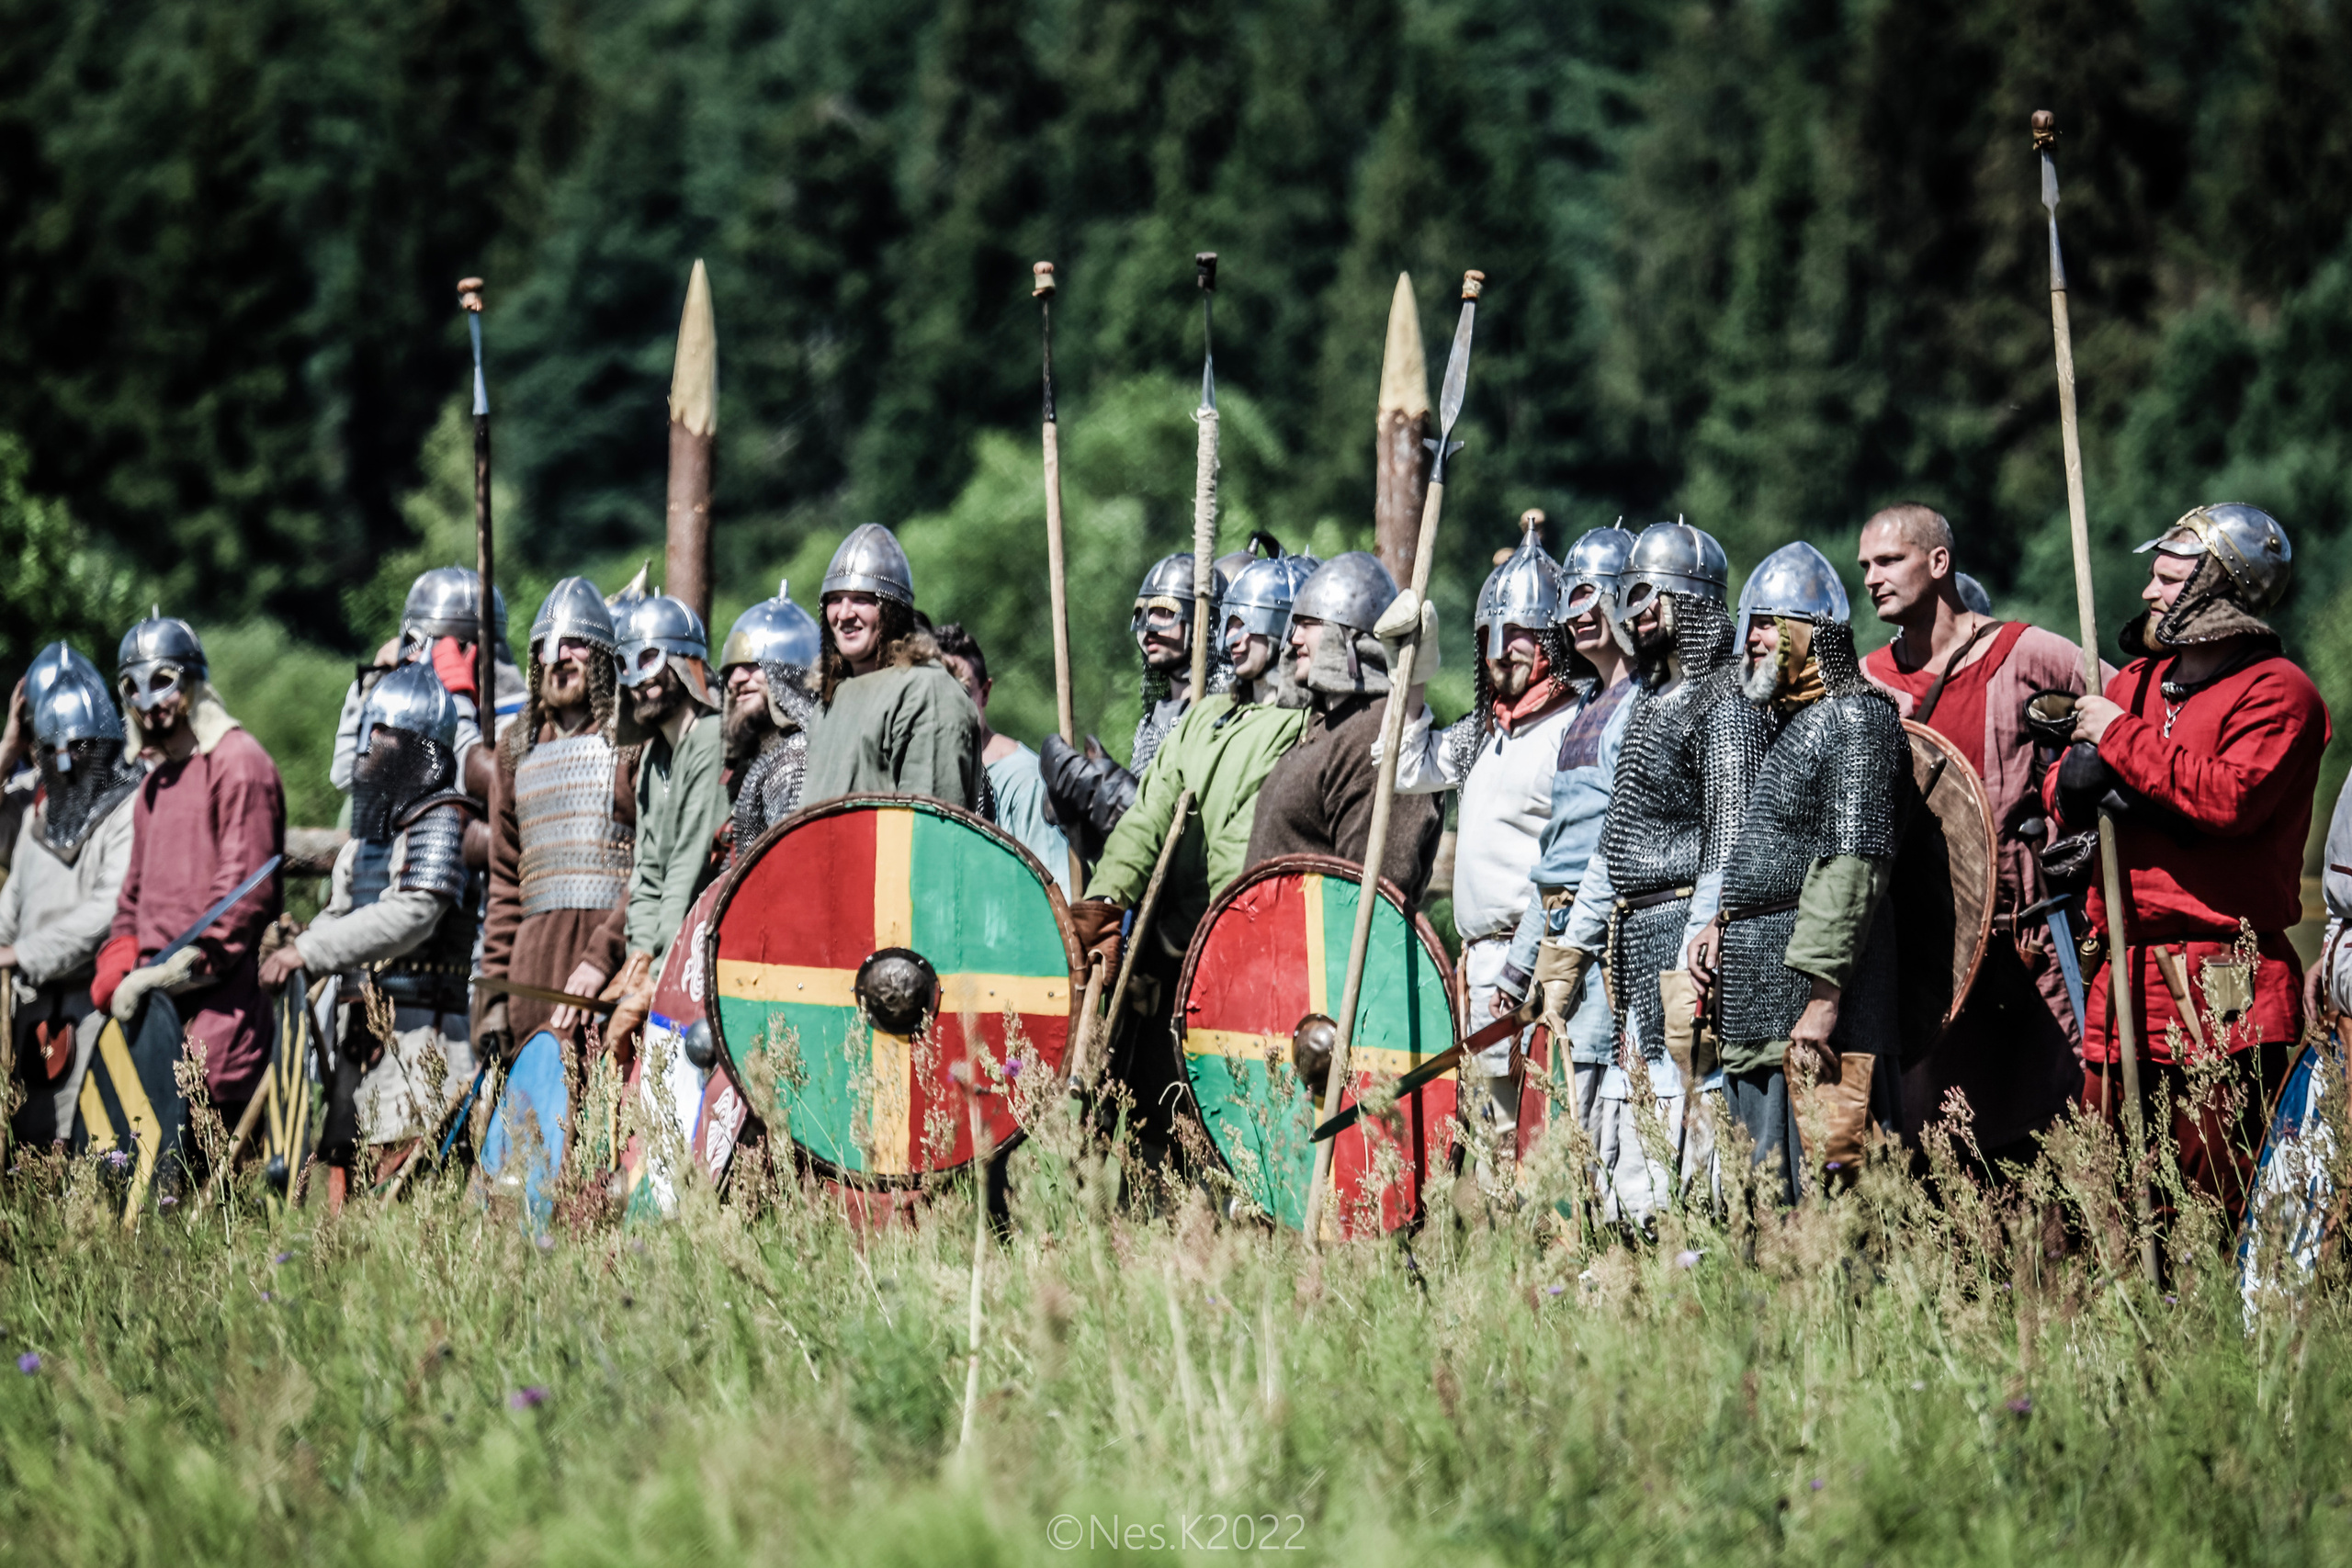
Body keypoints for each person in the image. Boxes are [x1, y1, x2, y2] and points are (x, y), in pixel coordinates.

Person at [2046, 502, 2327, 1223]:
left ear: (2218, 588)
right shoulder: (2136, 682)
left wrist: (2118, 744)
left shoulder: (2279, 692)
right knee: (2105, 1192)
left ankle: (2211, 1331)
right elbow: (2066, 787)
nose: (2149, 592)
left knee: (2213, 1196)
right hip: (2123, 967)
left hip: (2223, 971)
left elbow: (2230, 797)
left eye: (2169, 579)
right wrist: (2070, 787)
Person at [1857, 504, 2098, 1156]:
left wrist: (2076, 806)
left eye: (1889, 560)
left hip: (2027, 946)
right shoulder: (1866, 683)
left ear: (1939, 562)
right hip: (1923, 961)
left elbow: (2116, 724)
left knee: (2051, 1137)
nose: (1873, 578)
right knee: (1935, 1151)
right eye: (1866, 567)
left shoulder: (2028, 654)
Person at [1543, 523, 1768, 1220]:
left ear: (1691, 602)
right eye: (1630, 598)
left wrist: (1695, 950)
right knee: (1628, 1174)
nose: (1634, 613)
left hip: (1688, 956)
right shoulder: (1644, 706)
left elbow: (1727, 843)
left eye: (1649, 597)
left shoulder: (1724, 700)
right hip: (1632, 953)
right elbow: (1615, 846)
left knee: (1691, 1167)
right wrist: (1570, 948)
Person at [1067, 548, 1318, 1156]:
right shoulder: (1205, 715)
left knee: (1240, 1106)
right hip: (1169, 943)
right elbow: (1150, 812)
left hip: (1244, 943)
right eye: (1227, 624)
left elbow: (1248, 843)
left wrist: (1218, 933)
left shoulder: (1304, 723)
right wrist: (1105, 897)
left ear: (1285, 631)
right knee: (1155, 1104)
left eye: (1246, 625)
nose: (1232, 639)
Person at [1689, 542, 1907, 1202]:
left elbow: (1851, 865)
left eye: (1767, 622)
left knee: (1837, 1207)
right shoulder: (1797, 726)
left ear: (1812, 634)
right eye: (1748, 621)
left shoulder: (1856, 718)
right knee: (1767, 1206)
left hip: (1821, 1020)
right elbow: (1777, 861)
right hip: (1761, 1016)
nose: (1749, 637)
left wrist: (1822, 999)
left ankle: (1857, 1313)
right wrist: (1722, 924)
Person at [1377, 516, 1587, 1154]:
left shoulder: (1574, 728)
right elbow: (1405, 766)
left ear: (1555, 637)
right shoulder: (1486, 730)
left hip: (1541, 962)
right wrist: (1411, 668)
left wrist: (1526, 963)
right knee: (1492, 1140)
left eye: (1522, 632)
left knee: (1544, 1133)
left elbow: (1570, 860)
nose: (1505, 648)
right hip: (1480, 963)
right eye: (1495, 633)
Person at [260, 664, 479, 1190]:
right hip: (359, 1034)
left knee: (401, 1178)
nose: (370, 744)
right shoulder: (368, 836)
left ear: (417, 745)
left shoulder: (443, 817)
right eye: (369, 731)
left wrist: (311, 952)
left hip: (422, 1036)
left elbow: (413, 913)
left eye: (383, 732)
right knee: (345, 1174)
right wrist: (303, 943)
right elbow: (342, 912)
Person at [1497, 525, 1641, 1209]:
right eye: (1568, 598)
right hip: (1561, 929)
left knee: (1598, 1095)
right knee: (1557, 1098)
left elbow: (1613, 841)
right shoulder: (1586, 708)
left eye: (1589, 595)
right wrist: (1521, 962)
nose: (1574, 612)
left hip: (1610, 938)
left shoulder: (1643, 703)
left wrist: (1574, 944)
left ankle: (1601, 1250)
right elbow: (1554, 853)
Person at [94, 614, 286, 1120]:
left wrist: (173, 971)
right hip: (155, 1018)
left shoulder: (238, 762)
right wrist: (118, 967)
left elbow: (243, 899)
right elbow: (131, 902)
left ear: (193, 681)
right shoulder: (153, 786)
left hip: (221, 1020)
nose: (149, 701)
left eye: (162, 682)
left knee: (216, 1189)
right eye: (133, 687)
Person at [478, 578, 637, 1062]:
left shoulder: (630, 741)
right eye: (548, 645)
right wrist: (495, 996)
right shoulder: (516, 748)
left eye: (576, 644)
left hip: (609, 980)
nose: (560, 655)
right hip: (532, 980)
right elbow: (506, 883)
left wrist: (604, 954)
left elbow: (653, 867)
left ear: (602, 655)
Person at [0, 645, 141, 1147]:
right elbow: (10, 904)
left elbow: (109, 911)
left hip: (92, 1011)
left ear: (103, 744)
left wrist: (23, 953)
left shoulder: (128, 811)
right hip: (28, 1012)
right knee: (27, 1149)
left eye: (80, 746)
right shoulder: (39, 820)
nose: (67, 760)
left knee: (87, 1147)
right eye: (56, 749)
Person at [1244, 552, 1442, 901]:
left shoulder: (1377, 731)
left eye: (1309, 624)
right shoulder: (1325, 726)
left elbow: (1381, 885)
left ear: (1346, 636)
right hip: (1282, 947)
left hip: (1329, 950)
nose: (1294, 640)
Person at [1039, 548, 1245, 863]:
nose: (1148, 625)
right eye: (1141, 613)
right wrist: (1084, 817)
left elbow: (1194, 826)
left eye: (1164, 611)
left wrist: (1107, 790)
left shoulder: (1227, 714)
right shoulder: (1153, 721)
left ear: (1206, 622)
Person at [799, 525, 983, 810]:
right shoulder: (832, 697)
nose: (844, 614)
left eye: (862, 599)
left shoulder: (926, 692)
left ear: (891, 611)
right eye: (835, 600)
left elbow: (928, 830)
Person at [613, 592, 726, 978]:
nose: (639, 680)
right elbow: (647, 875)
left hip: (706, 951)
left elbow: (688, 868)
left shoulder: (713, 738)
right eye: (626, 664)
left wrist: (660, 973)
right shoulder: (654, 756)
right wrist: (639, 957)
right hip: (667, 957)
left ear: (682, 663)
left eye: (648, 659)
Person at [935, 624, 1074, 895]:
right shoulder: (921, 774)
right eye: (938, 695)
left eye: (961, 694)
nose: (948, 707)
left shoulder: (1024, 781)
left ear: (984, 693)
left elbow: (1054, 895)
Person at [717, 579, 823, 863]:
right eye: (731, 670)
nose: (736, 679)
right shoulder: (764, 757)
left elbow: (788, 866)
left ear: (787, 676)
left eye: (753, 666)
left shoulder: (795, 757)